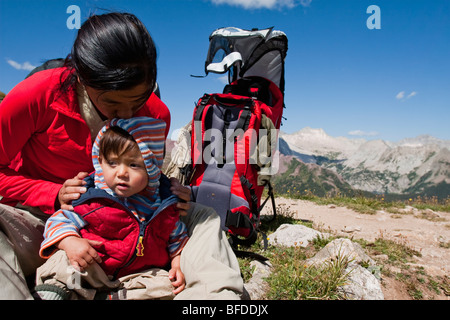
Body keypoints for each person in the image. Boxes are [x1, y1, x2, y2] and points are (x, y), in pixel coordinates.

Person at [0, 12, 243, 299]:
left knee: (203, 216)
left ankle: (214, 297)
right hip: (46, 224)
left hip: (129, 225)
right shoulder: (37, 95)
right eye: (113, 102)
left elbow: (145, 172)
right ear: (82, 75)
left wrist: (169, 191)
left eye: (138, 101)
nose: (127, 115)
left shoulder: (156, 114)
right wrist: (52, 194)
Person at [34, 117, 189, 300]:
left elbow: (177, 238)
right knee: (63, 263)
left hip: (135, 277)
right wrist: (70, 242)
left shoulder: (163, 208)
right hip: (91, 269)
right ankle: (56, 293)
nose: (121, 173)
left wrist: (177, 262)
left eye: (133, 165)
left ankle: (110, 297)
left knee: (165, 283)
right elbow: (58, 220)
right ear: (101, 162)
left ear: (152, 168)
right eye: (113, 163)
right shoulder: (90, 198)